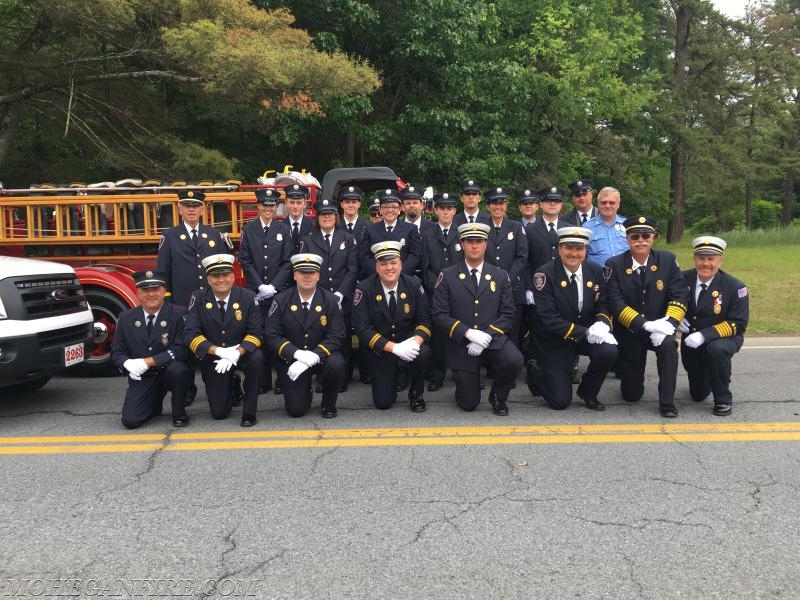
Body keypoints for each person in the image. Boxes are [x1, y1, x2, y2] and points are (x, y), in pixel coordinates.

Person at [431, 222, 523, 415]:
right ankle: (464, 387)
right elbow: (439, 314)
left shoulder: (499, 275)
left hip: (493, 338)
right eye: (470, 241)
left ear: (486, 244)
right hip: (462, 342)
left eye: (479, 241)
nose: (475, 246)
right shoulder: (447, 275)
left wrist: (486, 337)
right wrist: (468, 333)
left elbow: (508, 313)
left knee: (514, 360)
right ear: (462, 244)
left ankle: (498, 395)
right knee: (469, 404)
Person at [603, 217, 689, 418]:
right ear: (627, 239)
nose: (640, 240)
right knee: (631, 395)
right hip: (631, 330)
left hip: (661, 328)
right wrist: (644, 325)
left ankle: (667, 401)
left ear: (653, 238)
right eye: (635, 236)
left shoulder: (667, 260)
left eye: (645, 236)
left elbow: (680, 295)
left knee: (669, 347)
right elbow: (616, 302)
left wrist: (670, 323)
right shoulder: (614, 264)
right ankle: (635, 381)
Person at [530, 228, 618, 411]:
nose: (574, 253)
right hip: (555, 340)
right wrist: (586, 332)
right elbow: (548, 318)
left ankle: (588, 392)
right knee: (560, 402)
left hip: (585, 336)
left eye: (579, 249)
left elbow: (603, 304)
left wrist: (602, 324)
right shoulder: (544, 275)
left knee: (608, 351)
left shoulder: (594, 271)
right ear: (559, 248)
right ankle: (536, 372)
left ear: (586, 250)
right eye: (569, 248)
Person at [184, 254, 264, 426]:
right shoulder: (198, 298)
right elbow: (190, 334)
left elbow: (257, 332)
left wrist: (237, 352)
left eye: (225, 275)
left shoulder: (247, 297)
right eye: (215, 276)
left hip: (241, 353)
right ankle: (233, 384)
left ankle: (249, 411)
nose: (221, 279)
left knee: (257, 359)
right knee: (219, 413)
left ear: (232, 276)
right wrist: (219, 351)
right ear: (208, 279)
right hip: (214, 355)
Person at [352, 241, 432, 411]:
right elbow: (362, 329)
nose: (389, 268)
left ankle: (416, 394)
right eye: (384, 263)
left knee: (423, 352)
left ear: (401, 264)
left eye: (393, 262)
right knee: (383, 403)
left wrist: (414, 343)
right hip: (381, 350)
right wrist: (394, 348)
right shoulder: (364, 289)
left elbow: (424, 321)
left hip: (408, 347)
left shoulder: (414, 285)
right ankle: (392, 377)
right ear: (377, 267)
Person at [265, 253, 347, 418]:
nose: (307, 276)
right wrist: (297, 354)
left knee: (336, 363)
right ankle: (304, 388)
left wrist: (315, 355)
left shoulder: (330, 300)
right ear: (295, 275)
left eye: (311, 273)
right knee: (296, 411)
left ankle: (328, 403)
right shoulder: (280, 300)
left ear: (318, 275)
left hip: (322, 357)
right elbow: (272, 335)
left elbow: (337, 335)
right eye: (303, 272)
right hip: (293, 358)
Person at [112, 270, 193, 429]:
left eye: (155, 289)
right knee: (130, 421)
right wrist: (127, 363)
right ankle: (154, 404)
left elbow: (181, 349)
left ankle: (179, 412)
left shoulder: (178, 314)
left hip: (169, 371)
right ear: (138, 293)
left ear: (164, 291)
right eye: (145, 290)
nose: (151, 294)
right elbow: (117, 351)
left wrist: (147, 362)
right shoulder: (126, 318)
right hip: (144, 376)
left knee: (178, 370)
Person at [679, 236, 749, 416]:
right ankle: (709, 375)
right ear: (695, 259)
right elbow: (667, 302)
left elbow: (738, 323)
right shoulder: (682, 279)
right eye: (701, 258)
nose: (705, 263)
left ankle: (723, 400)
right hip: (691, 339)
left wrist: (705, 335)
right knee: (698, 394)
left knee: (716, 351)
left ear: (720, 260)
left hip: (725, 338)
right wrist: (675, 319)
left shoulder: (735, 287)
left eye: (711, 259)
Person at [237, 188, 293, 393]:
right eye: (264, 205)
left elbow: (288, 261)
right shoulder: (249, 229)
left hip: (278, 294)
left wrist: (274, 286)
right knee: (259, 337)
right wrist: (260, 285)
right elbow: (245, 259)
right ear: (258, 206)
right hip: (257, 293)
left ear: (275, 207)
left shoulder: (283, 229)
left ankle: (281, 381)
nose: (268, 208)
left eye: (271, 205)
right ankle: (263, 382)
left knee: (279, 336)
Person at [299, 198, 358, 391]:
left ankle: (343, 378)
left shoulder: (347, 239)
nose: (326, 218)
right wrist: (322, 295)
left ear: (336, 216)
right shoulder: (308, 240)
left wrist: (341, 294)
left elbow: (352, 269)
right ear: (317, 217)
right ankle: (322, 378)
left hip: (343, 299)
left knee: (343, 339)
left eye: (330, 214)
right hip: (319, 298)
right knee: (319, 337)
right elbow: (306, 272)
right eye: (323, 215)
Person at [420, 192, 463, 391]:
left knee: (459, 333)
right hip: (435, 293)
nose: (445, 212)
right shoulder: (427, 235)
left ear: (455, 210)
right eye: (442, 208)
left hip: (460, 291)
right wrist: (436, 288)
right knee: (438, 335)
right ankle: (437, 374)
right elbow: (425, 267)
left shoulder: (462, 233)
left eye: (449, 208)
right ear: (435, 210)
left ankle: (461, 371)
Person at [156, 190, 227, 308]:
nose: (191, 210)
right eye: (187, 206)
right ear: (180, 210)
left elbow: (223, 269)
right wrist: (167, 298)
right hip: (182, 301)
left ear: (202, 210)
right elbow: (163, 270)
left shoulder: (214, 235)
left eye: (195, 206)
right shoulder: (169, 236)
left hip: (212, 299)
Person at [484, 186, 528, 348]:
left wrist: (507, 277)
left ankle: (512, 366)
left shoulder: (516, 227)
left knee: (513, 329)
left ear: (506, 206)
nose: (498, 207)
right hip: (488, 286)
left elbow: (522, 257)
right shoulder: (481, 228)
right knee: (490, 326)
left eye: (501, 203)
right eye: (494, 203)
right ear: (488, 207)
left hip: (513, 286)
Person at [359, 188, 422, 278]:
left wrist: (398, 273)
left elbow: (415, 255)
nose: (390, 210)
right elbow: (364, 256)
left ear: (400, 209)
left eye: (393, 207)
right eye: (385, 207)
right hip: (376, 278)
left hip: (403, 278)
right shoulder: (369, 229)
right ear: (380, 209)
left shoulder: (411, 229)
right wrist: (379, 273)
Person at [585, 187, 627, 268]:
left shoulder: (627, 225)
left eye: (611, 203)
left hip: (625, 276)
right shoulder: (587, 227)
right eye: (604, 202)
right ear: (598, 204)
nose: (607, 206)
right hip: (598, 276)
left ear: (618, 205)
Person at [284, 184, 313, 254]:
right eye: (291, 202)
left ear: (305, 204)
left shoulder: (313, 226)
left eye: (299, 202)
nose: (295, 206)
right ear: (285, 203)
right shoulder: (279, 227)